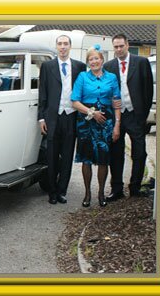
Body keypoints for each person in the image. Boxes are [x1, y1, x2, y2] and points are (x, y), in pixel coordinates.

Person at [104, 33, 154, 201]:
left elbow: (148, 90)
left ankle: (135, 188)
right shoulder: (109, 66)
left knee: (139, 153)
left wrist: (142, 115)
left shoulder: (141, 63)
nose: (118, 49)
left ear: (127, 45)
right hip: (117, 117)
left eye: (121, 46)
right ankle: (116, 189)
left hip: (135, 115)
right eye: (116, 47)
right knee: (116, 153)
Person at [71, 45, 121, 207]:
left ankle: (101, 193)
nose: (94, 62)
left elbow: (116, 102)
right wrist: (92, 113)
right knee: (86, 159)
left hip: (106, 123)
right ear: (88, 62)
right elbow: (74, 102)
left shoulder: (112, 77)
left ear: (102, 60)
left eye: (96, 58)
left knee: (103, 159)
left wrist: (117, 125)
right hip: (86, 123)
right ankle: (87, 193)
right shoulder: (82, 77)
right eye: (91, 59)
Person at [38, 35, 86, 205]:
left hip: (71, 117)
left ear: (70, 47)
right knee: (51, 156)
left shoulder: (80, 66)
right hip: (53, 117)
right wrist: (41, 118)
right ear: (56, 46)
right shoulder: (47, 66)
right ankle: (51, 191)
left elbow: (83, 91)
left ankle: (62, 191)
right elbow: (42, 92)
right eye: (60, 44)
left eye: (66, 44)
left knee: (67, 157)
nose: (63, 47)